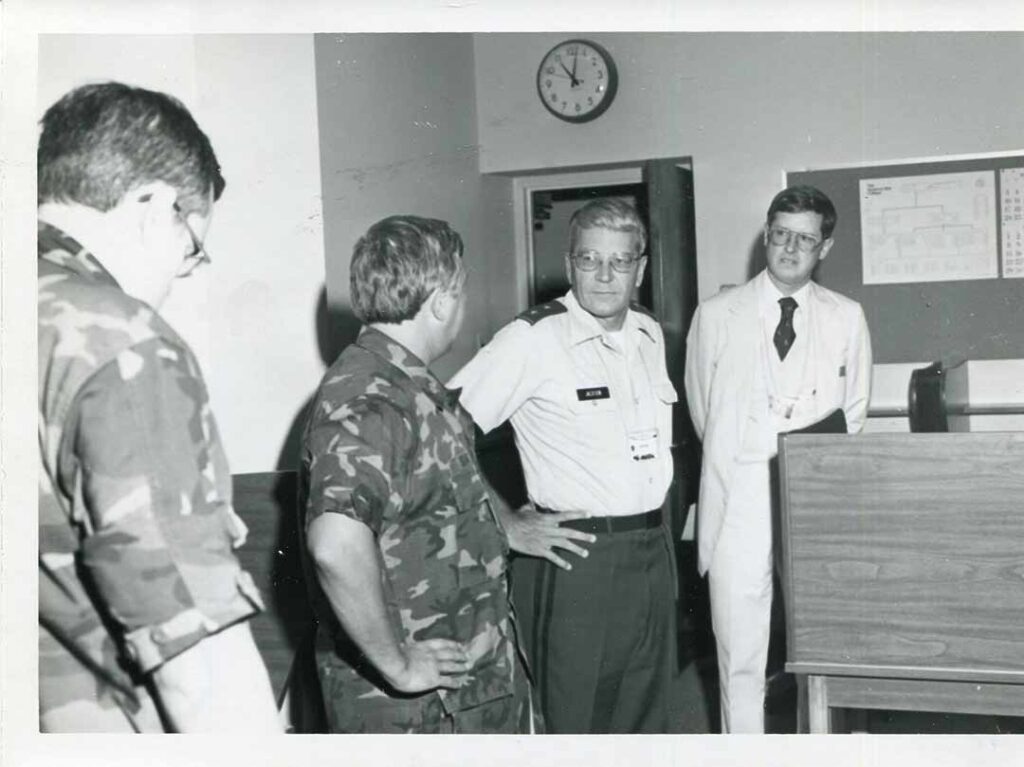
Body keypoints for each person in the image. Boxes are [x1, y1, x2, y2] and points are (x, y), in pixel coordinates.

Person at [37, 82, 280, 732]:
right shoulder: (119, 340)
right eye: (193, 248)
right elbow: (197, 661)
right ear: (157, 206)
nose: (182, 273)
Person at [300, 215, 573, 733]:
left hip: (466, 688)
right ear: (442, 301)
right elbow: (334, 545)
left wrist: (507, 525)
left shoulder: (408, 383)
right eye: (462, 292)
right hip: (419, 711)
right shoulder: (367, 399)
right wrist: (399, 666)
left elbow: (451, 472)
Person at [449, 198, 679, 733]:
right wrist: (505, 522)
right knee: (574, 721)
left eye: (619, 262)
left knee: (647, 717)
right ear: (570, 263)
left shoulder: (650, 335)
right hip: (577, 556)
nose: (603, 276)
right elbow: (441, 424)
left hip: (651, 549)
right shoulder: (533, 338)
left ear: (640, 268)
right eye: (589, 259)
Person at [684, 184, 872, 733]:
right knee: (739, 649)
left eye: (805, 240)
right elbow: (704, 410)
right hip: (741, 491)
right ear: (767, 236)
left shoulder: (846, 317)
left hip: (813, 496)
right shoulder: (717, 315)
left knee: (822, 646)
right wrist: (750, 451)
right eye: (782, 235)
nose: (791, 249)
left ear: (825, 247)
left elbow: (854, 412)